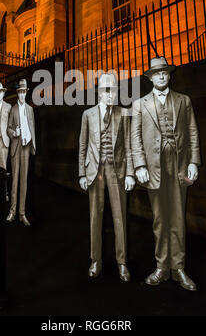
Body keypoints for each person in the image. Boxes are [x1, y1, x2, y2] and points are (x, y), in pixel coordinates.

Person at [131, 57, 201, 291]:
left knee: (178, 217)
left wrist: (194, 161)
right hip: (154, 167)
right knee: (160, 219)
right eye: (157, 73)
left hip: (179, 165)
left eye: (165, 72)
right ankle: (162, 266)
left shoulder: (184, 101)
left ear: (169, 75)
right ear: (150, 77)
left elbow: (192, 131)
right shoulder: (140, 104)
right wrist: (139, 166)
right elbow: (135, 137)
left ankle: (178, 267)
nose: (161, 76)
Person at [78, 72, 135, 282]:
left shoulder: (124, 113)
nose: (111, 93)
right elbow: (82, 146)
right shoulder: (88, 115)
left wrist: (130, 173)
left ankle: (122, 263)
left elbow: (129, 145)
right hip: (95, 171)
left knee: (120, 218)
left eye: (114, 89)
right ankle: (96, 260)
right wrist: (81, 173)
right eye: (106, 89)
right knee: (95, 217)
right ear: (99, 93)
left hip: (116, 171)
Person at [6, 79, 36, 226]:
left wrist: (33, 145)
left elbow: (33, 127)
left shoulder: (30, 110)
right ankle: (12, 211)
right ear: (18, 94)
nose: (22, 95)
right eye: (20, 92)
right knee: (15, 180)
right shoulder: (13, 110)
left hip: (26, 147)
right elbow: (8, 129)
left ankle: (22, 213)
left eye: (24, 92)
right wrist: (14, 133)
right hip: (16, 147)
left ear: (26, 93)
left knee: (24, 181)